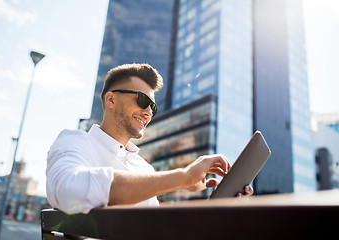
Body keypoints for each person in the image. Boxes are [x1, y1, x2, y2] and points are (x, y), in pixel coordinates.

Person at [46, 63, 253, 214]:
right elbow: (68, 189)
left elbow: (157, 228)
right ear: (111, 99)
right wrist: (184, 177)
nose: (148, 112)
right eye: (142, 100)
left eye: (152, 107)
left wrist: (223, 208)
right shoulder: (75, 141)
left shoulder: (143, 168)